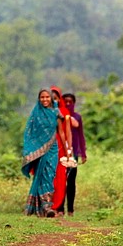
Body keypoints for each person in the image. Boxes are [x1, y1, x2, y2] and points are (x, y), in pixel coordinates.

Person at [21, 89, 62, 217]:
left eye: (47, 97)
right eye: (42, 97)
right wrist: (30, 149)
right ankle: (46, 206)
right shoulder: (36, 113)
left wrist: (67, 148)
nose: (44, 99)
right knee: (40, 175)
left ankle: (46, 205)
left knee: (50, 175)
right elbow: (30, 133)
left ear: (51, 98)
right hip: (39, 150)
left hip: (53, 148)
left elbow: (60, 131)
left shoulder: (56, 112)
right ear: (39, 99)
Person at [50, 86, 77, 216]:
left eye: (55, 96)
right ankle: (45, 206)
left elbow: (66, 132)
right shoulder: (44, 111)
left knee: (60, 178)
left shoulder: (63, 112)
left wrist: (68, 149)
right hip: (45, 147)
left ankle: (58, 206)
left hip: (59, 147)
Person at [61, 92, 87, 217]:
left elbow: (80, 134)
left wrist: (83, 153)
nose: (67, 104)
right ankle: (59, 208)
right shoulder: (59, 116)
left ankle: (70, 209)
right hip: (61, 151)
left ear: (74, 103)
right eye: (65, 101)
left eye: (70, 102)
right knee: (60, 181)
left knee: (71, 181)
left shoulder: (77, 117)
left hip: (74, 152)